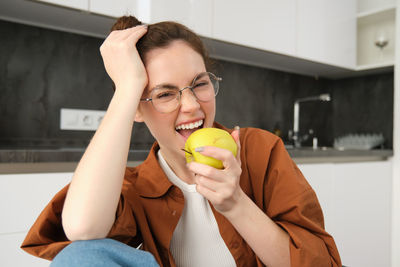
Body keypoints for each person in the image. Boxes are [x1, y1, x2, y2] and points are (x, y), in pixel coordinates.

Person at [21, 16, 341, 267]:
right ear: (136, 108)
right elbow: (82, 229)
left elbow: (321, 264)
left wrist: (236, 204)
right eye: (164, 93)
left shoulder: (260, 151)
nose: (190, 106)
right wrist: (127, 88)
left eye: (199, 84)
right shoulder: (136, 189)